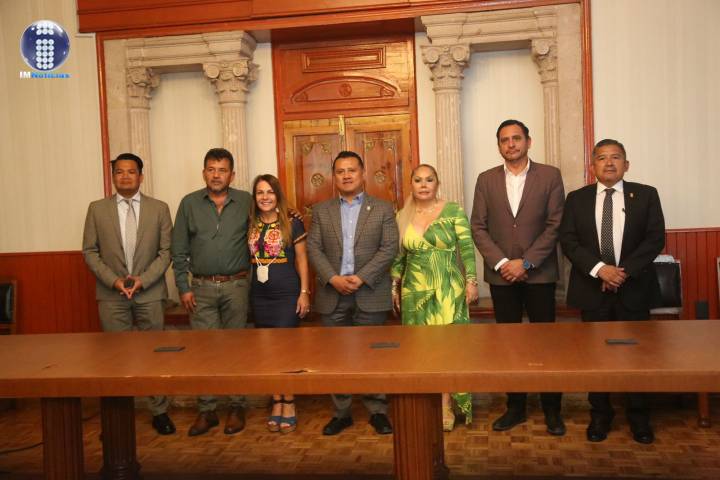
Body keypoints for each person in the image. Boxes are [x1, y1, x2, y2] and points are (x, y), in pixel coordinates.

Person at [560, 138, 665, 444]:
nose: (609, 163)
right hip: (592, 290)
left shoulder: (646, 195)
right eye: (602, 158)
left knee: (637, 357)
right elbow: (568, 241)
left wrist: (621, 272)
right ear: (592, 165)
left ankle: (639, 418)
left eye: (615, 157)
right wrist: (599, 270)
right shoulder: (576, 199)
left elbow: (655, 239)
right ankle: (600, 416)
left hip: (634, 290)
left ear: (626, 164)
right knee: (596, 358)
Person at [470, 119, 566, 436]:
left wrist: (525, 263)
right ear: (499, 145)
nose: (510, 144)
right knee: (508, 344)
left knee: (545, 344)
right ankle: (515, 407)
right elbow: (478, 226)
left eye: (516, 138)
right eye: (504, 140)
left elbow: (555, 224)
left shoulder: (550, 176)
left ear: (528, 141)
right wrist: (502, 263)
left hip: (539, 273)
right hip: (502, 277)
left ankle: (552, 409)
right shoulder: (486, 180)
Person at [82, 152, 175, 435]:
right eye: (119, 172)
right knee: (115, 358)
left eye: (131, 172)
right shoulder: (97, 209)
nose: (125, 176)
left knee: (155, 354)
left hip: (150, 293)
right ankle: (117, 418)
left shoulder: (159, 209)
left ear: (141, 176)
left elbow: (166, 252)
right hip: (112, 295)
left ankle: (159, 411)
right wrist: (114, 281)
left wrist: (143, 281)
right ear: (113, 177)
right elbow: (90, 251)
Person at [307, 151, 399, 436]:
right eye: (340, 171)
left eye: (352, 170)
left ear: (362, 173)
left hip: (369, 291)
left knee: (373, 355)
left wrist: (361, 278)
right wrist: (333, 278)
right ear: (334, 177)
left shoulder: (383, 208)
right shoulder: (321, 210)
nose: (346, 175)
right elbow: (313, 248)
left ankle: (377, 411)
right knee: (337, 357)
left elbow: (389, 248)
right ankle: (342, 413)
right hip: (332, 293)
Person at [390, 164, 479, 431]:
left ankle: (445, 404)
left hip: (447, 288)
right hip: (414, 293)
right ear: (411, 184)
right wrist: (394, 286)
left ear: (437, 184)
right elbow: (399, 256)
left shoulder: (453, 211)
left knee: (448, 349)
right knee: (419, 350)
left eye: (429, 180)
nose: (424, 185)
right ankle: (424, 404)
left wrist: (471, 281)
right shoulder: (401, 215)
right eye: (418, 180)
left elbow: (466, 248)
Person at [171, 147, 252, 437]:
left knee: (236, 351)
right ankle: (207, 410)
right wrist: (183, 287)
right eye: (211, 169)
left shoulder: (246, 201)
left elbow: (269, 223)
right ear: (203, 172)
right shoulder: (189, 203)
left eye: (222, 170)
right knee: (204, 352)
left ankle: (236, 407)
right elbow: (178, 249)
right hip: (201, 288)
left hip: (237, 286)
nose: (216, 175)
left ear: (232, 174)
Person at [248, 174, 311, 434]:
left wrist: (304, 292)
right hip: (259, 295)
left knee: (287, 350)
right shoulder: (250, 222)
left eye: (270, 192)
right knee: (267, 352)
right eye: (260, 192)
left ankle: (290, 402)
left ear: (278, 195)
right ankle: (276, 401)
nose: (265, 197)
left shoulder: (292, 222)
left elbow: (302, 259)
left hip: (287, 293)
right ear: (255, 197)